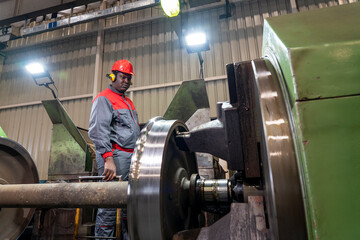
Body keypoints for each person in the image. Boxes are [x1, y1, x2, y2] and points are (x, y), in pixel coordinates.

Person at [89, 59, 140, 239]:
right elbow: (97, 131)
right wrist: (108, 159)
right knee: (110, 203)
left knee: (127, 203)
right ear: (112, 77)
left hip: (129, 158)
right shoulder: (104, 99)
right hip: (114, 157)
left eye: (128, 78)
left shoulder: (128, 102)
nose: (125, 81)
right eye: (122, 77)